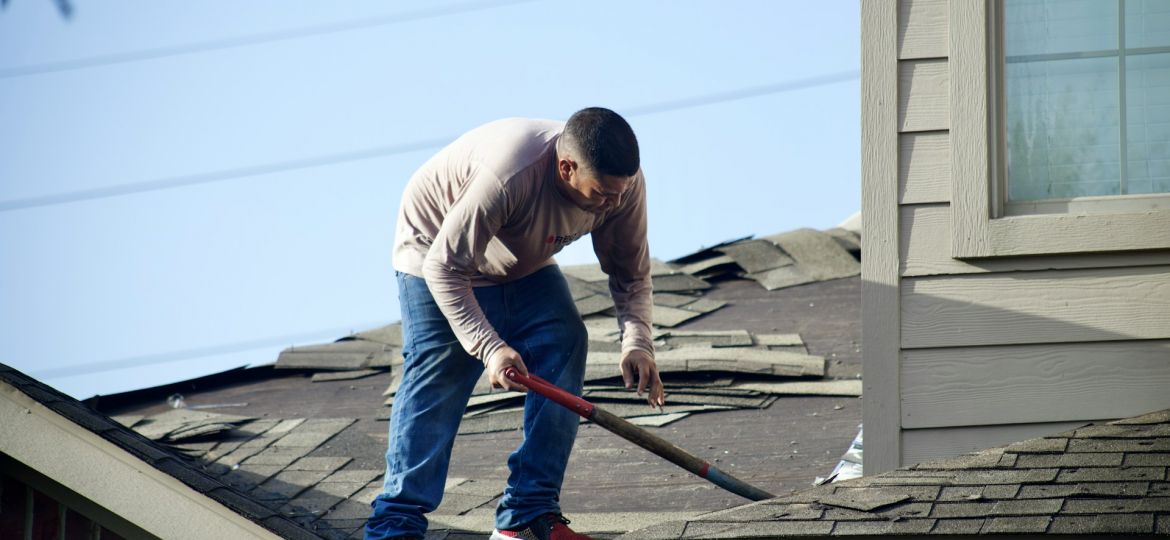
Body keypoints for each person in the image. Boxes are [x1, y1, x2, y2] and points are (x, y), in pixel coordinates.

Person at [365, 107, 665, 540]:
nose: (614, 204)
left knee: (563, 340)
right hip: (435, 254)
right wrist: (489, 347)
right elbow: (445, 269)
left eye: (621, 192)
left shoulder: (623, 186)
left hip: (518, 262)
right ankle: (395, 524)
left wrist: (637, 342)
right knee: (439, 374)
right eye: (602, 194)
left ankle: (527, 513)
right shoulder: (510, 173)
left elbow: (630, 273)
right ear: (566, 168)